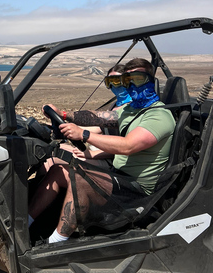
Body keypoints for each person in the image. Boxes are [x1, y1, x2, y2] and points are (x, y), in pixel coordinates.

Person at [28, 58, 175, 243]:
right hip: (119, 175)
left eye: (138, 79)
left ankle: (55, 243)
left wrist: (83, 135)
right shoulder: (131, 110)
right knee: (59, 171)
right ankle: (25, 224)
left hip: (136, 190)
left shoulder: (159, 116)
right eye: (128, 81)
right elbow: (99, 118)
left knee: (79, 178)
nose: (132, 85)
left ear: (151, 80)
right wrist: (64, 114)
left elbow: (128, 145)